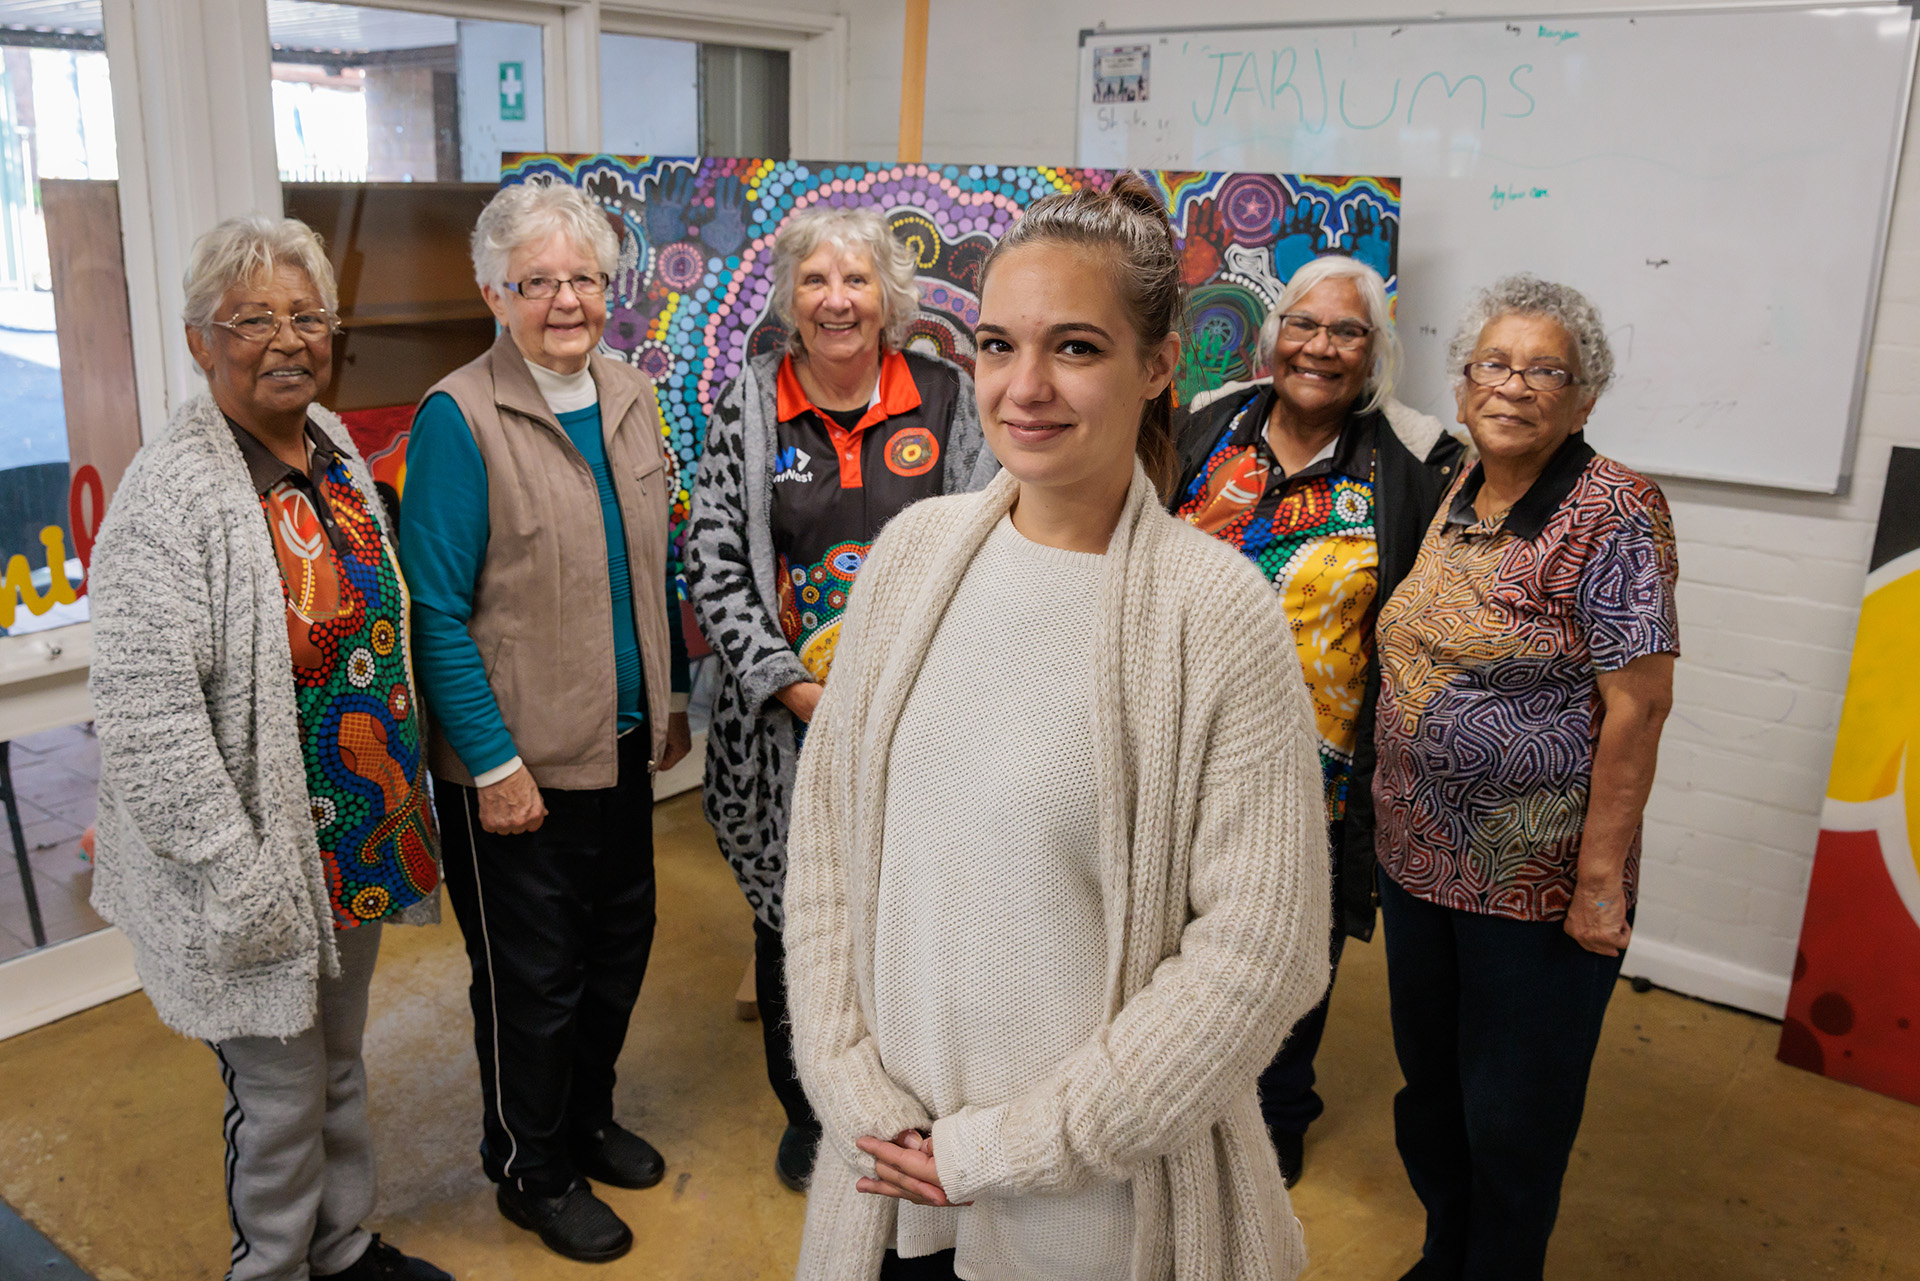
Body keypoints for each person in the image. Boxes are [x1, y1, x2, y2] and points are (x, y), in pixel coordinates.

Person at [783, 173, 1331, 1281]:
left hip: (1089, 1210)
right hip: (889, 1175)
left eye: (1075, 348)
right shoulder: (915, 558)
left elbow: (1259, 956)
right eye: (996, 345)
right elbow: (829, 848)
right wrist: (849, 1089)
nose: (1023, 389)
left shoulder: (1212, 616)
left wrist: (1008, 1150)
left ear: (1160, 365)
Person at [88, 215, 448, 1281]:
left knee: (338, 1066)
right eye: (254, 319)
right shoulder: (171, 501)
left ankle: (341, 1249)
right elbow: (150, 728)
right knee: (281, 1096)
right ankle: (276, 1267)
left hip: (349, 840)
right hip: (251, 870)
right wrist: (239, 881)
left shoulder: (332, 444)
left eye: (308, 316)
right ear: (202, 340)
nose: (288, 340)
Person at [399, 182, 691, 1264]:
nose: (567, 301)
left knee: (618, 953)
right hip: (514, 769)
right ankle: (533, 1167)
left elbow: (645, 570)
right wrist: (491, 763)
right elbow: (433, 611)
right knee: (534, 984)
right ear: (493, 292)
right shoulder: (458, 417)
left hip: (618, 742)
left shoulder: (625, 393)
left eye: (585, 279)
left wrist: (660, 702)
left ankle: (586, 1118)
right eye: (539, 282)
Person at [684, 205, 997, 1192]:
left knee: (916, 918)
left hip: (929, 730)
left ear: (888, 299)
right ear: (789, 299)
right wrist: (796, 688)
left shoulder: (951, 397)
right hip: (788, 736)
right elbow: (715, 562)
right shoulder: (747, 405)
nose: (836, 300)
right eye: (815, 281)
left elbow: (992, 545)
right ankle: (810, 1115)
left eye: (855, 281)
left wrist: (916, 698)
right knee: (798, 925)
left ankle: (907, 1112)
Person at [1374, 274, 1678, 1280]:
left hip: (1533, 885)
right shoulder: (1462, 482)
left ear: (1585, 398)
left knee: (1513, 1120)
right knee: (1433, 1096)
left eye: (1545, 369)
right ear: (1463, 388)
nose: (1514, 386)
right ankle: (1445, 1256)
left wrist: (1599, 882)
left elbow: (1638, 706)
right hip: (1418, 863)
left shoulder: (1615, 507)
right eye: (1494, 364)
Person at [1171, 255, 1465, 1185]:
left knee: (1291, 945)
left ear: (1372, 354)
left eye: (1347, 332)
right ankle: (1170, 1096)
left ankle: (1275, 1112)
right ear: (1273, 336)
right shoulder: (1207, 426)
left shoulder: (1411, 464)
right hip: (1176, 740)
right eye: (1305, 324)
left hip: (1315, 771)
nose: (1321, 347)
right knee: (1169, 928)